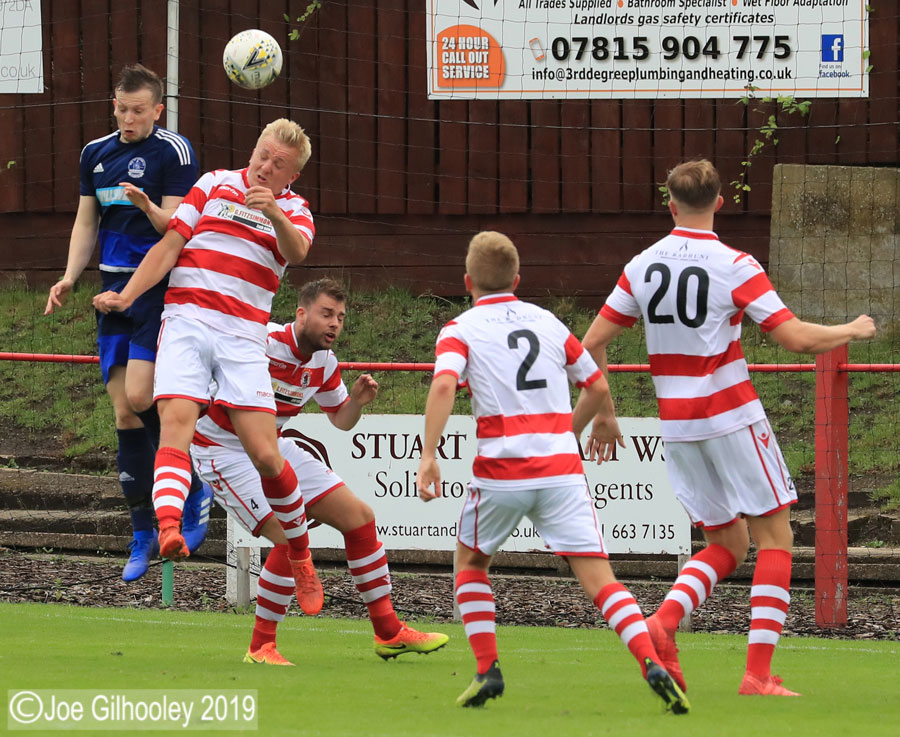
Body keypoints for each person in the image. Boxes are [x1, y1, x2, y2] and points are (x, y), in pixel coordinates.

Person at [580, 159, 876, 697]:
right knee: (776, 537)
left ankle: (663, 622)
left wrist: (604, 412)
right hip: (732, 418)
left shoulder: (641, 265)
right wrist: (850, 328)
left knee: (727, 542)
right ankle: (757, 675)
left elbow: (592, 341)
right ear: (720, 203)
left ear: (669, 205)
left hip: (679, 428)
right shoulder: (734, 263)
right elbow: (796, 340)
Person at [415, 231, 689, 713]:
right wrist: (569, 431)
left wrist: (429, 453)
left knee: (471, 564)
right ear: (517, 280)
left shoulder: (460, 328)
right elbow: (596, 384)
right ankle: (650, 662)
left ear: (467, 282)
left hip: (502, 470)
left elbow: (443, 385)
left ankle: (488, 671)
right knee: (601, 581)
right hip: (561, 472)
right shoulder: (547, 322)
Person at [93, 118, 325, 615]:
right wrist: (126, 295)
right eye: (263, 153)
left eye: (278, 164)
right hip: (187, 321)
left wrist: (276, 216)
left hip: (243, 335)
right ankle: (170, 529)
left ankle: (301, 557)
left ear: (293, 177)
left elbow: (298, 251)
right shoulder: (213, 183)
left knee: (266, 453)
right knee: (175, 421)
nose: (265, 167)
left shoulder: (293, 209)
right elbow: (169, 246)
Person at [191, 278, 450, 664]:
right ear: (301, 313)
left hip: (272, 444)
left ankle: (388, 632)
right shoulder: (260, 343)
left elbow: (341, 421)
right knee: (287, 536)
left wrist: (358, 403)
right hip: (222, 450)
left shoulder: (324, 364)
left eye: (341, 318)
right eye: (327, 314)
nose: (335, 324)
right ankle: (261, 647)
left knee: (360, 518)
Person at [44, 63, 212, 582]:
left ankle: (192, 485)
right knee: (123, 414)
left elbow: (178, 229)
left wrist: (147, 206)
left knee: (142, 398)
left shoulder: (174, 151)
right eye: (122, 108)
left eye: (139, 110)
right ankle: (142, 532)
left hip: (159, 290)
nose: (129, 118)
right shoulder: (95, 154)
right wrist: (71, 277)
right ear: (113, 105)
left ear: (157, 110)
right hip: (110, 292)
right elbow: (86, 220)